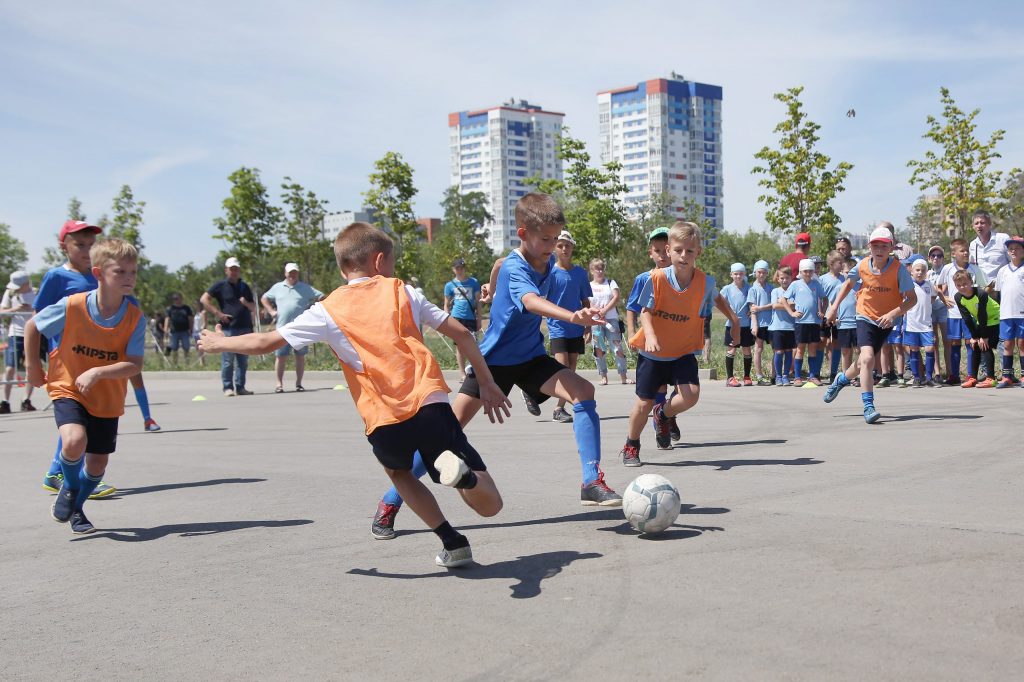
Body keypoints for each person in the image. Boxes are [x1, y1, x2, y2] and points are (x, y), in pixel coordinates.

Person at [199, 223, 506, 567]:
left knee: (400, 474)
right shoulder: (402, 291)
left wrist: (218, 343)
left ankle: (453, 541)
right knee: (489, 504)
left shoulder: (327, 309)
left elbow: (264, 342)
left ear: (343, 266)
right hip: (428, 402)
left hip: (382, 418)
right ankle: (463, 478)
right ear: (379, 261)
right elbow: (462, 333)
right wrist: (487, 381)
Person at [368, 192, 620, 540]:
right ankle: (392, 499)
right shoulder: (519, 266)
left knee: (583, 391)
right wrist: (572, 316)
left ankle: (591, 480)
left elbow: (499, 264)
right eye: (545, 239)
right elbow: (531, 301)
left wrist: (490, 287)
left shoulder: (537, 263)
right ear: (523, 234)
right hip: (493, 364)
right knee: (444, 434)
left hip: (530, 357)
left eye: (556, 238)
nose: (552, 244)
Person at [24, 239, 147, 534]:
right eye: (120, 272)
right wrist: (32, 367)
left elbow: (134, 365)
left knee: (97, 465)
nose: (129, 278)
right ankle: (69, 488)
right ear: (98, 273)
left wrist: (99, 372)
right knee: (73, 440)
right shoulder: (74, 305)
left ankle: (76, 503)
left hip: (106, 396)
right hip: (68, 386)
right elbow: (32, 326)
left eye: (133, 272)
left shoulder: (134, 318)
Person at [38, 220, 159, 499]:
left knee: (103, 406)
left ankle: (146, 418)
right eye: (79, 244)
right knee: (75, 426)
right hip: (73, 359)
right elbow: (41, 317)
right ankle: (60, 472)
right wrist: (41, 358)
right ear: (64, 247)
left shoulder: (120, 290)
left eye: (90, 244)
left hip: (111, 354)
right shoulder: (58, 277)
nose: (85, 248)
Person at [618, 221, 740, 467]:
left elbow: (718, 299)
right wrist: (649, 336)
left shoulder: (705, 282)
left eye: (690, 251)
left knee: (691, 395)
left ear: (698, 253)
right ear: (668, 251)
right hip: (654, 353)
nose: (683, 255)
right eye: (678, 250)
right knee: (643, 403)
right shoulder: (657, 278)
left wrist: (734, 321)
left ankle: (663, 414)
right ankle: (631, 445)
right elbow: (644, 312)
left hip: (682, 350)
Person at [823, 225, 917, 424]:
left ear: (891, 247)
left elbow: (911, 299)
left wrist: (893, 313)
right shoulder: (863, 265)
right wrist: (833, 308)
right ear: (869, 247)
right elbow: (848, 283)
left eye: (884, 246)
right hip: (864, 315)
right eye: (875, 246)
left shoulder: (898, 270)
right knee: (866, 359)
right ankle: (869, 406)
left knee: (861, 363)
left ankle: (841, 380)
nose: (879, 250)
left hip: (886, 321)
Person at [625, 226, 680, 444]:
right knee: (658, 388)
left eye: (666, 250)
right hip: (652, 343)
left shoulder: (680, 277)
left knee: (683, 388)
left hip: (678, 343)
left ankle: (668, 415)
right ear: (651, 253)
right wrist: (631, 333)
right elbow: (632, 308)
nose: (662, 255)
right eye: (657, 250)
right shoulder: (643, 278)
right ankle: (662, 423)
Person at [545, 231, 592, 423]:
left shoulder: (580, 273)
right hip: (557, 326)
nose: (564, 249)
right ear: (555, 248)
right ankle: (553, 403)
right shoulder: (550, 273)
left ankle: (557, 407)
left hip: (576, 327)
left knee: (571, 368)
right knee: (562, 367)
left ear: (572, 248)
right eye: (560, 245)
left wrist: (588, 326)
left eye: (568, 245)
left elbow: (585, 301)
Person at [261, 263, 324, 393]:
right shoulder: (278, 287)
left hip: (300, 328)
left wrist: (317, 311)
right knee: (281, 356)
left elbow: (321, 296)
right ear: (285, 274)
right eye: (290, 273)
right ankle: (279, 384)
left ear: (297, 274)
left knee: (300, 356)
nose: (292, 275)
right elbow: (264, 298)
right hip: (282, 329)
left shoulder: (304, 288)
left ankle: (299, 384)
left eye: (294, 273)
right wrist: (271, 311)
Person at [201, 257, 257, 396]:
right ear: (226, 270)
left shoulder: (244, 286)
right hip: (229, 328)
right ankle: (228, 387)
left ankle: (240, 387)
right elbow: (204, 299)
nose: (234, 272)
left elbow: (254, 307)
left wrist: (245, 303)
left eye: (236, 269)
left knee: (243, 361)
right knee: (228, 360)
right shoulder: (220, 285)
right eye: (231, 269)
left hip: (244, 327)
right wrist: (218, 313)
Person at [935, 238, 987, 385]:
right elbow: (938, 287)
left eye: (967, 250)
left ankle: (971, 375)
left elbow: (987, 286)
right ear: (953, 253)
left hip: (970, 314)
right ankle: (954, 375)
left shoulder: (974, 269)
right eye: (962, 251)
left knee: (971, 343)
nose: (966, 253)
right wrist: (944, 298)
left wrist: (979, 301)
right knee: (954, 343)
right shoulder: (947, 268)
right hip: (953, 314)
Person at [778, 259, 827, 386]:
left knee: (812, 349)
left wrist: (823, 312)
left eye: (810, 271)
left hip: (814, 322)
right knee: (800, 349)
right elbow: (783, 299)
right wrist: (791, 313)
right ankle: (798, 377)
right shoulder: (795, 284)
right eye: (805, 271)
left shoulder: (816, 283)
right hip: (801, 322)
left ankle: (812, 376)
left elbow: (824, 298)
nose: (808, 273)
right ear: (801, 271)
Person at [952, 269, 1001, 388]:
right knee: (975, 345)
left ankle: (990, 378)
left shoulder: (981, 294)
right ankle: (973, 377)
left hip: (995, 318)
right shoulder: (958, 297)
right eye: (958, 285)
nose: (962, 287)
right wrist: (974, 336)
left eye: (965, 284)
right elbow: (967, 318)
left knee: (985, 345)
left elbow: (983, 314)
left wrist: (983, 337)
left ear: (971, 282)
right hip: (982, 320)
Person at [588, 257, 631, 385]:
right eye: (597, 269)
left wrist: (604, 310)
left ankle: (624, 376)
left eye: (602, 268)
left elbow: (616, 297)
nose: (600, 271)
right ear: (592, 271)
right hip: (596, 321)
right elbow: (587, 302)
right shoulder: (588, 285)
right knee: (598, 348)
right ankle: (603, 376)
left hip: (611, 319)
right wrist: (596, 311)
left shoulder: (611, 282)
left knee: (617, 347)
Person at [0, 270, 37, 413]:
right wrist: (16, 309)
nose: (15, 288)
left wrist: (32, 309)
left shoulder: (36, 293)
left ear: (26, 283)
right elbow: (2, 313)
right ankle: (5, 401)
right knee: (10, 368)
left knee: (31, 367)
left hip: (33, 333)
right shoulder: (10, 293)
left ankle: (26, 400)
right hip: (15, 334)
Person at [443, 257, 482, 382]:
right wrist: (446, 319)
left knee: (473, 345)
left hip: (470, 317)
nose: (460, 270)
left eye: (462, 268)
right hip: (456, 317)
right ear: (453, 269)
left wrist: (479, 319)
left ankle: (474, 370)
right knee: (459, 346)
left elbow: (478, 302)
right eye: (457, 268)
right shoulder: (449, 285)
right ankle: (462, 374)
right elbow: (446, 304)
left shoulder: (474, 282)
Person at [903, 258, 941, 386]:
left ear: (926, 272)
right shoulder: (908, 285)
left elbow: (934, 295)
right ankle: (917, 377)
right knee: (914, 349)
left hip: (926, 324)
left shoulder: (929, 284)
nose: (920, 273)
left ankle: (929, 378)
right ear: (912, 271)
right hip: (912, 323)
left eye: (923, 270)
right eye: (917, 270)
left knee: (930, 348)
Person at [993, 236, 1024, 387]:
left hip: (1022, 313)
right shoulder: (1003, 271)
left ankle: (1023, 376)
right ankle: (1007, 376)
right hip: (1006, 313)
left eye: (1017, 248)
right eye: (1011, 248)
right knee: (1007, 344)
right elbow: (999, 293)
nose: (1014, 251)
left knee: (1022, 344)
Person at [720, 262, 753, 387]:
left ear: (744, 274)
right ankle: (730, 378)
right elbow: (718, 302)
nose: (738, 276)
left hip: (745, 324)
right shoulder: (727, 289)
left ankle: (747, 376)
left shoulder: (749, 288)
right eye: (736, 274)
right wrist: (728, 311)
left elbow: (752, 303)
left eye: (741, 274)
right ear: (731, 275)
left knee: (746, 349)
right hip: (732, 324)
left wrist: (751, 310)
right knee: (732, 349)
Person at [818, 251, 846, 381]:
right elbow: (819, 297)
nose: (842, 265)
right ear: (831, 264)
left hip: (839, 316)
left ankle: (833, 373)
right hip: (825, 315)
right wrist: (821, 312)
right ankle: (816, 372)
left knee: (836, 343)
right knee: (822, 341)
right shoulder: (823, 279)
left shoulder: (844, 279)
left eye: (842, 262)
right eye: (839, 262)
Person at [747, 259, 774, 385]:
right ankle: (759, 376)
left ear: (767, 273)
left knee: (776, 349)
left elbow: (774, 304)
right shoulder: (753, 289)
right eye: (759, 272)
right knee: (758, 349)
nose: (761, 275)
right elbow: (753, 309)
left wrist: (761, 308)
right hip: (760, 323)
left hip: (772, 323)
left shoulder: (771, 288)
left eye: (764, 272)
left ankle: (775, 374)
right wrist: (754, 325)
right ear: (755, 273)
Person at [768, 266, 796, 386]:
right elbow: (774, 306)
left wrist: (782, 303)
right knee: (779, 352)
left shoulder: (794, 290)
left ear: (791, 278)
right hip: (777, 327)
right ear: (778, 279)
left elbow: (796, 306)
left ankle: (786, 376)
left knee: (789, 352)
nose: (784, 280)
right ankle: (778, 376)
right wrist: (789, 304)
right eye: (782, 278)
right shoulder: (775, 291)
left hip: (790, 327)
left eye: (787, 278)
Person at [926, 245, 949, 379]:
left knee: (947, 340)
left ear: (943, 258)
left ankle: (950, 371)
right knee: (933, 341)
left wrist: (934, 289)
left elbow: (942, 289)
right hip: (931, 308)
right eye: (933, 256)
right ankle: (937, 372)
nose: (936, 258)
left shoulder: (946, 271)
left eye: (939, 256)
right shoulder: (927, 273)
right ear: (929, 259)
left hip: (943, 307)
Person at [968, 210, 1010, 282]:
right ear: (973, 226)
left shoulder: (1002, 239)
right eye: (976, 223)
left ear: (989, 224)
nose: (979, 226)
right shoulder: (973, 245)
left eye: (982, 223)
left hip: (1001, 286)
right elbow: (972, 267)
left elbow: (1014, 261)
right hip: (982, 289)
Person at [165, 293, 194, 364]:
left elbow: (190, 319)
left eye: (177, 298)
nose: (176, 300)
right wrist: (165, 328)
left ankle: (187, 363)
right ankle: (175, 363)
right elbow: (167, 319)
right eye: (174, 299)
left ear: (181, 298)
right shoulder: (170, 308)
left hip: (185, 331)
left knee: (186, 347)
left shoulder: (186, 308)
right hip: (174, 331)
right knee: (174, 347)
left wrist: (191, 329)